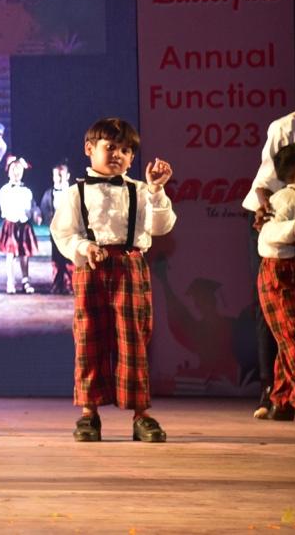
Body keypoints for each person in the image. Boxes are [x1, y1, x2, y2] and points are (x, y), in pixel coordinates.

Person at [50, 118, 175, 442]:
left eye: (126, 150)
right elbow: (63, 233)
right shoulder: (75, 193)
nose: (118, 154)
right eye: (110, 147)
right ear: (89, 149)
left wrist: (157, 190)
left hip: (129, 268)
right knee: (88, 338)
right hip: (91, 270)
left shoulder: (141, 191)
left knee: (133, 340)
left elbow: (161, 227)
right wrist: (84, 247)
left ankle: (141, 414)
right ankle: (88, 413)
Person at [243, 109, 295, 418]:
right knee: (290, 330)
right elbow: (266, 184)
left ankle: (282, 400)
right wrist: (279, 219)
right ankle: (289, 394)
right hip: (278, 233)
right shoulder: (291, 127)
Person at [0, 157, 39, 294]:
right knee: (10, 255)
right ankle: (10, 282)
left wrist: (36, 214)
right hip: (11, 225)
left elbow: (32, 206)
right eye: (13, 169)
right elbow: (4, 209)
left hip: (24, 225)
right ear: (8, 171)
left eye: (19, 170)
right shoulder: (4, 190)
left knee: (24, 254)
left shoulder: (27, 191)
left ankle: (25, 280)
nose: (16, 172)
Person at [38, 160, 75, 295]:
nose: (58, 178)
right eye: (55, 175)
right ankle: (57, 284)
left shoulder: (74, 193)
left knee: (69, 258)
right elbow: (44, 208)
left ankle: (70, 284)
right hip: (55, 232)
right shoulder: (49, 193)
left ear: (67, 176)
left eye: (61, 175)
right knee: (56, 258)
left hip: (70, 232)